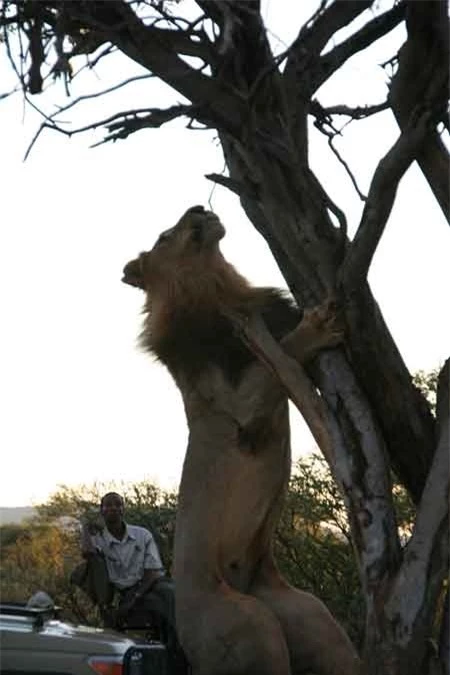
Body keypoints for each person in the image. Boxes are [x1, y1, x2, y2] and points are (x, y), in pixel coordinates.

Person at [71, 491, 187, 672]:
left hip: (149, 585)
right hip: (124, 591)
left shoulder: (142, 535)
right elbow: (87, 553)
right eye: (108, 505)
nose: (113, 508)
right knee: (165, 602)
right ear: (102, 510)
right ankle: (173, 657)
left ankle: (179, 651)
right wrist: (86, 527)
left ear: (123, 509)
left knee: (172, 594)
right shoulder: (99, 539)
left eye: (117, 504)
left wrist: (137, 596)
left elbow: (153, 571)